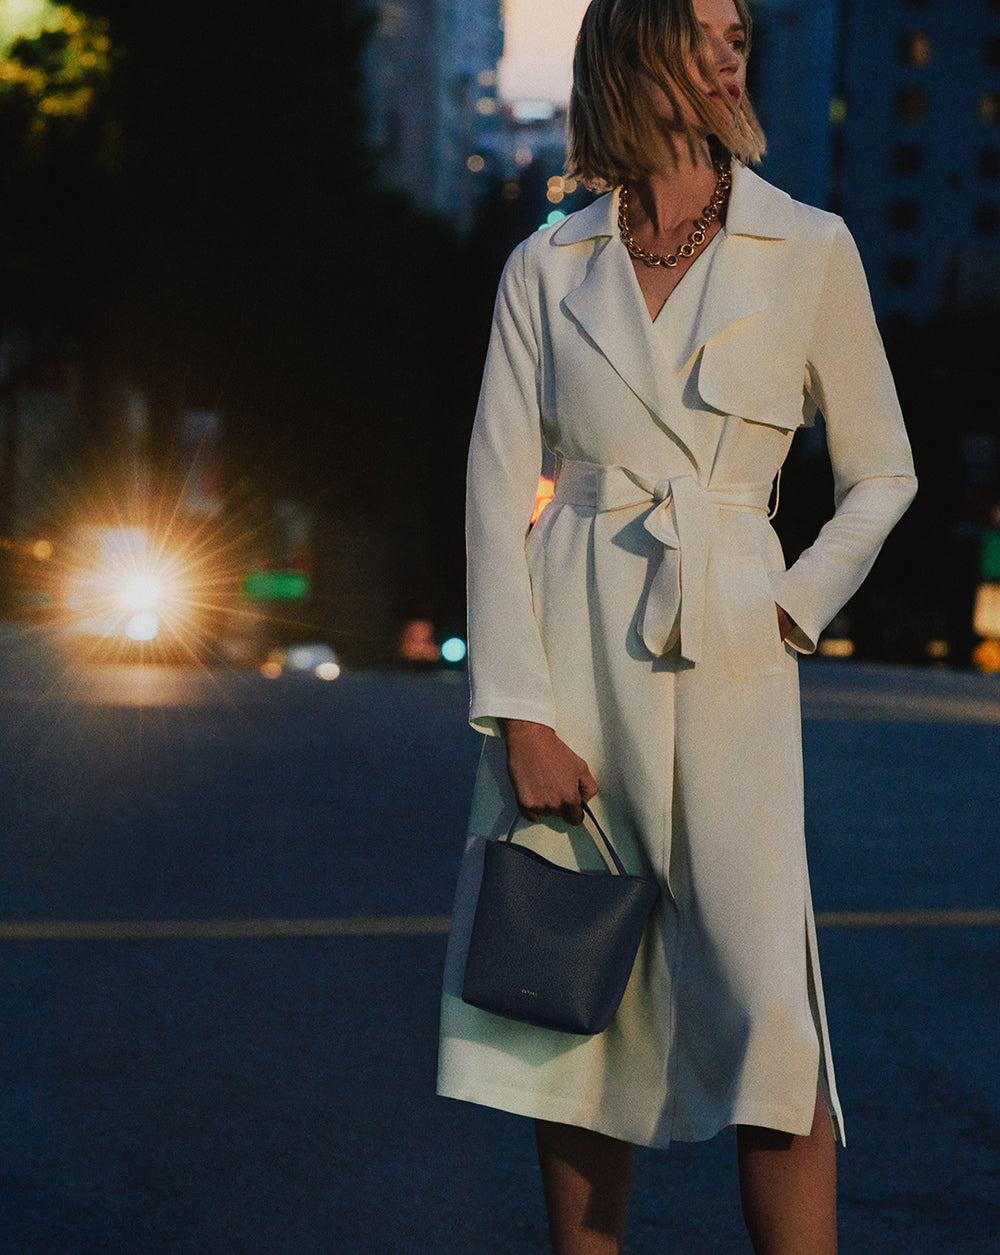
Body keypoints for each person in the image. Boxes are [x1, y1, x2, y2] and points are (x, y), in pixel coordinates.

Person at [438, 0, 917, 1250]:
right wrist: (520, 712)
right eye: (699, 27)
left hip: (731, 660)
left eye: (739, 29)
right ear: (630, 51)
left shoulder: (807, 244)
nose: (728, 49)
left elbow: (882, 472)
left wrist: (790, 604)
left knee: (769, 1025)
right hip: (573, 654)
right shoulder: (547, 263)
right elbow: (495, 494)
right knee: (571, 1018)